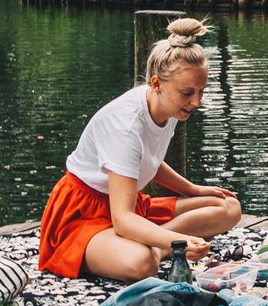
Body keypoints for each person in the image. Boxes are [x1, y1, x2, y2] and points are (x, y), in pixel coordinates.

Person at [38, 18, 242, 282]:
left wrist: (191, 189)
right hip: (83, 215)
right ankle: (158, 249)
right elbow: (122, 219)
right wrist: (177, 240)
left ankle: (155, 244)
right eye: (187, 93)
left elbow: (148, 160)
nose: (196, 102)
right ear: (156, 84)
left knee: (229, 207)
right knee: (142, 264)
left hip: (129, 205)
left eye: (201, 91)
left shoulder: (167, 107)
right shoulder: (125, 126)